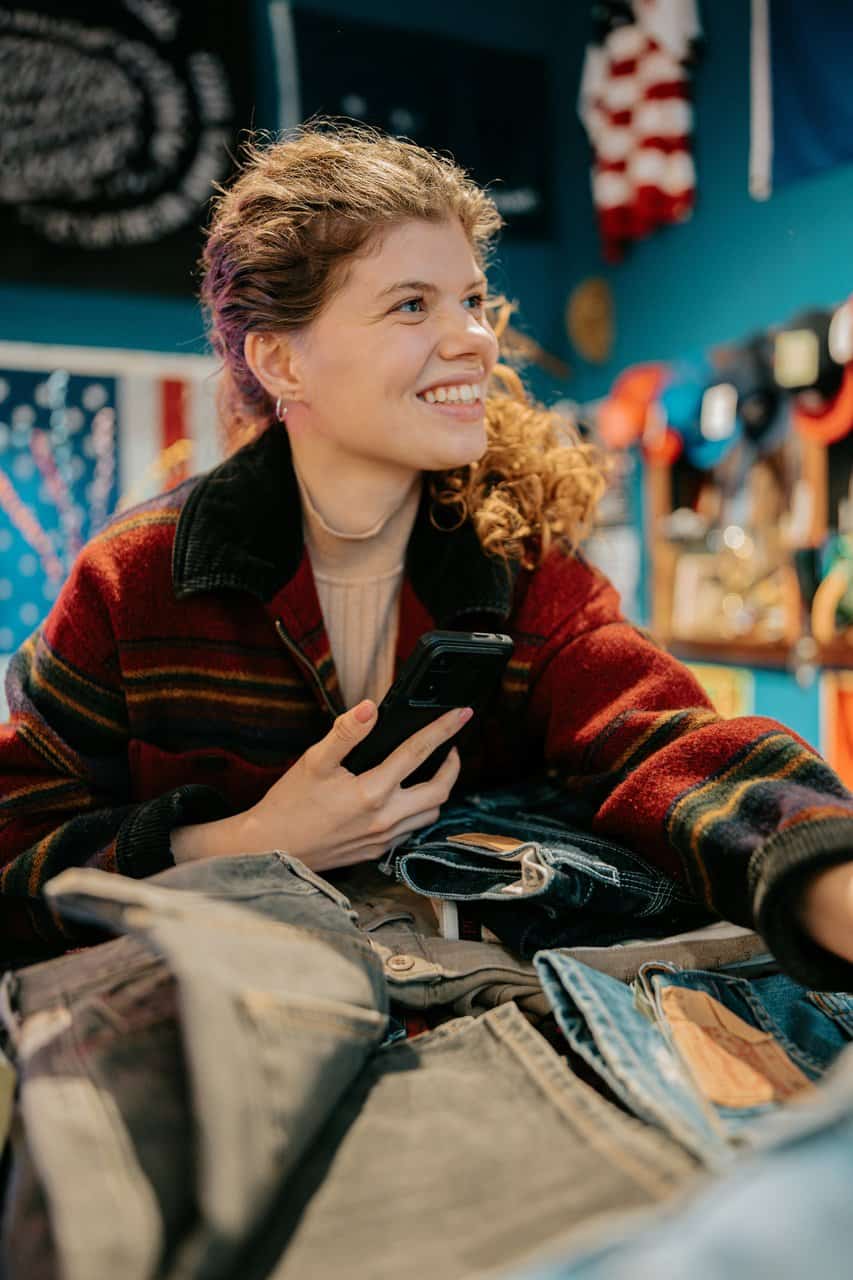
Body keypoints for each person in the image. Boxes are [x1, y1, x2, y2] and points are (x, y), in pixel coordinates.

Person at [1, 122, 852, 985]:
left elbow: (658, 736)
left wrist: (824, 868)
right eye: (413, 305)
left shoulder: (515, 558)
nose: (475, 339)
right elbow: (15, 846)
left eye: (472, 300)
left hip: (468, 1029)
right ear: (279, 360)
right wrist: (249, 842)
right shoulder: (135, 577)